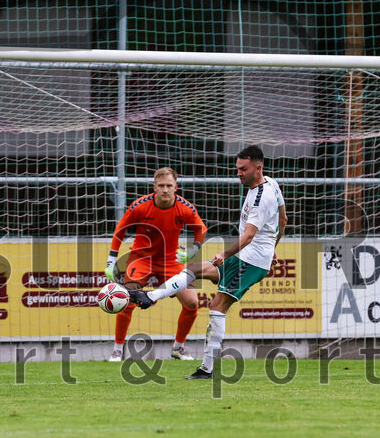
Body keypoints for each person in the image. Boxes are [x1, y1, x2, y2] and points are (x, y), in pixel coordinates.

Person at [129, 146, 287, 380]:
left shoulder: (262, 197)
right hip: (248, 256)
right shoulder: (271, 183)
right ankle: (150, 297)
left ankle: (206, 369)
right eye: (237, 169)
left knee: (217, 306)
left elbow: (249, 236)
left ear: (258, 167)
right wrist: (273, 248)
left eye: (243, 169)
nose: (238, 174)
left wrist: (226, 253)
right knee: (194, 269)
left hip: (250, 260)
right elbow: (283, 219)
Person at [105, 167, 207, 361]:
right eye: (161, 186)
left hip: (170, 262)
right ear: (155, 188)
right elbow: (120, 230)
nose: (165, 190)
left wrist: (194, 249)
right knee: (126, 299)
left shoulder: (185, 208)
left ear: (176, 187)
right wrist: (111, 260)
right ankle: (117, 350)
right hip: (141, 259)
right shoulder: (140, 206)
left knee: (192, 303)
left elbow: (201, 229)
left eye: (169, 185)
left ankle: (179, 347)